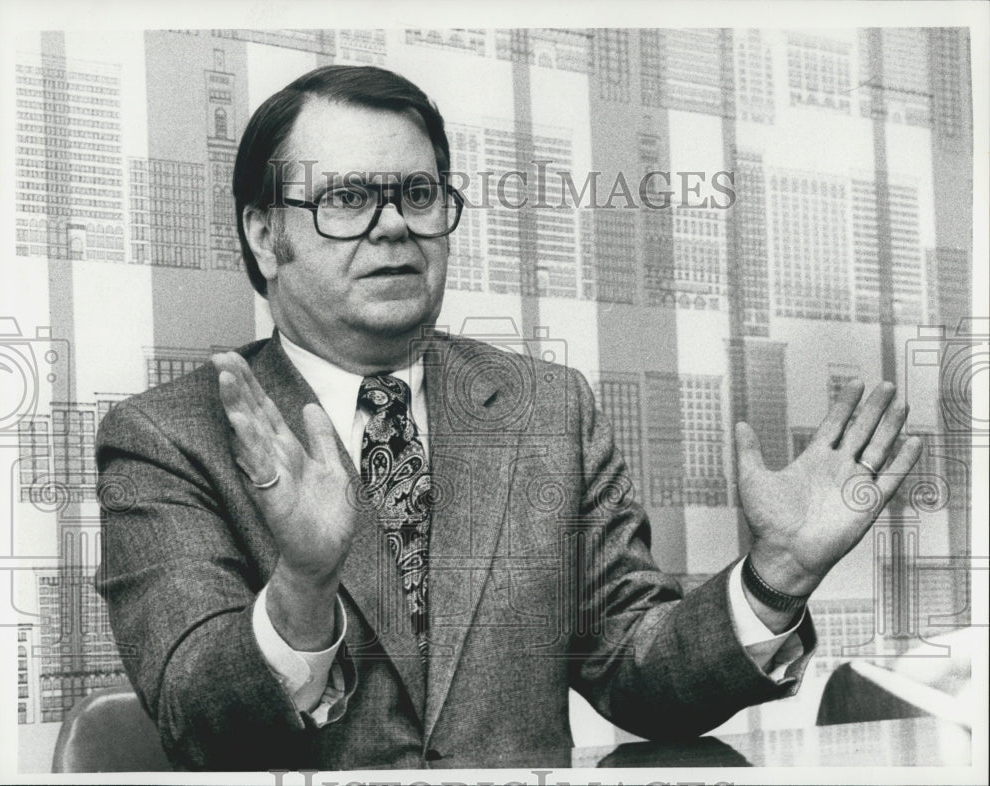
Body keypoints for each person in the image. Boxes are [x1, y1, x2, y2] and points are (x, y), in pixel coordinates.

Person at [95, 65, 921, 771]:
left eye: (418, 194)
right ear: (264, 234)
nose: (394, 226)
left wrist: (776, 577)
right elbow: (203, 731)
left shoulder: (546, 411)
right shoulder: (168, 439)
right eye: (347, 198)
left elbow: (639, 678)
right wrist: (302, 588)